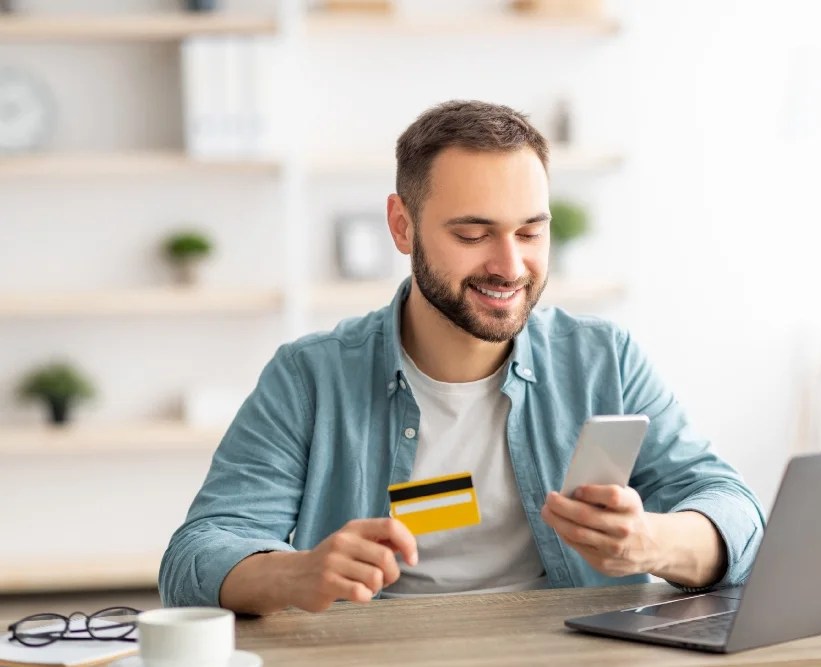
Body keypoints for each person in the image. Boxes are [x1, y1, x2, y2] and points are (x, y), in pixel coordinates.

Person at [159, 100, 765, 614]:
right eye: (473, 235)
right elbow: (195, 555)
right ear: (402, 226)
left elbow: (736, 512)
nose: (509, 266)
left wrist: (653, 542)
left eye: (530, 232)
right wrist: (293, 573)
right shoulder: (311, 378)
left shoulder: (604, 358)